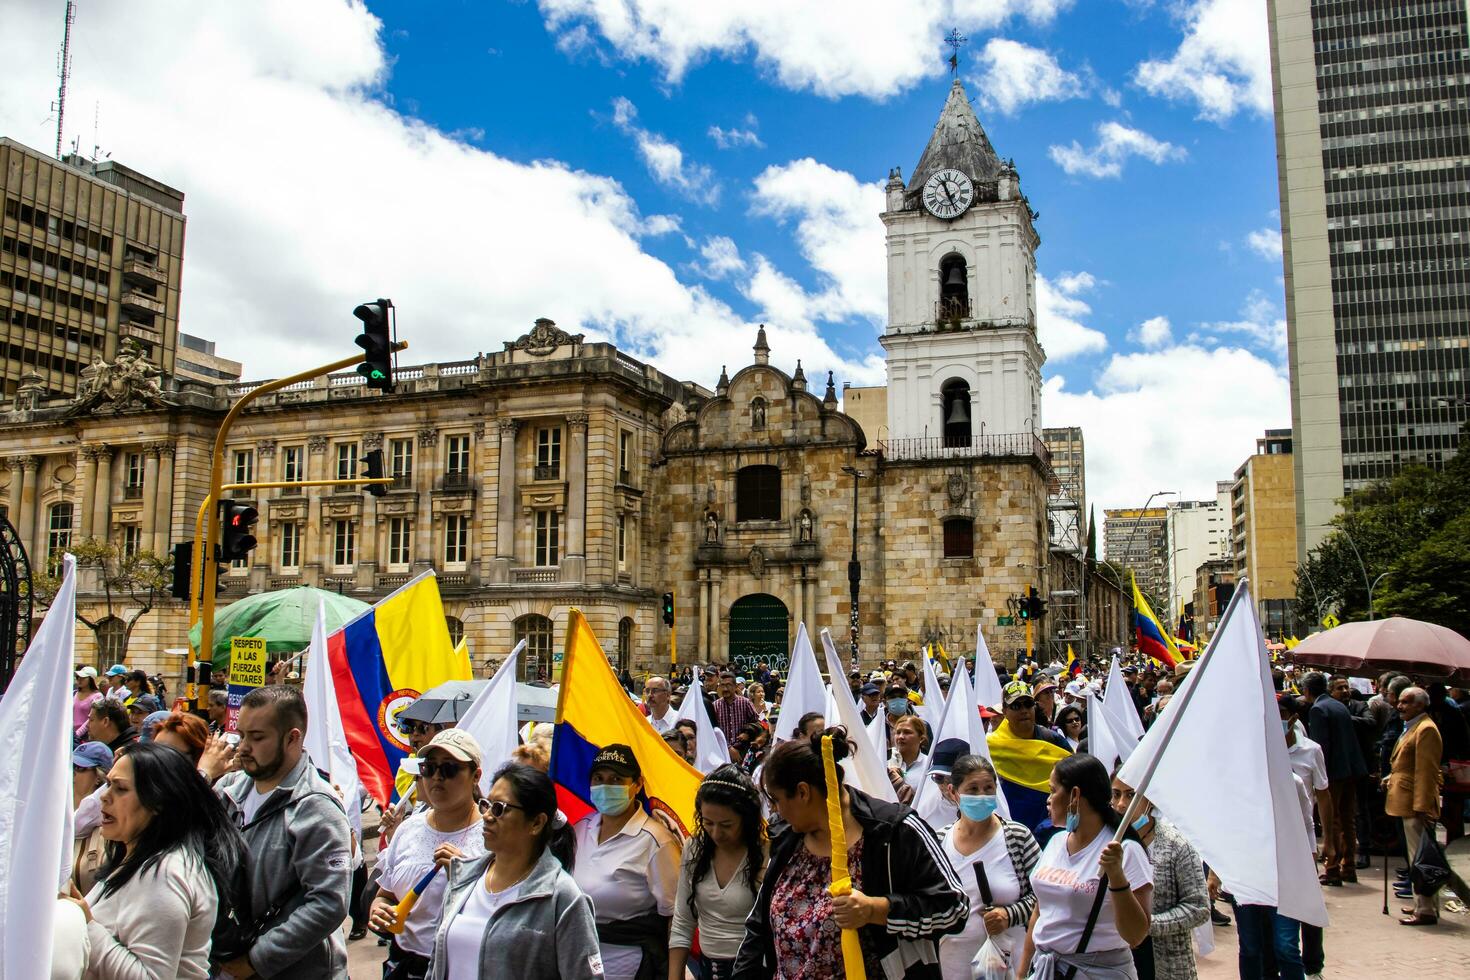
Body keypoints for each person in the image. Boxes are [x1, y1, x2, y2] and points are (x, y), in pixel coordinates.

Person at [733, 727, 967, 979]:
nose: (776, 811)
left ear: (803, 792)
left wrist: (875, 909)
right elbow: (758, 925)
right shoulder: (786, 838)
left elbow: (954, 909)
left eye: (777, 800)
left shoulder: (894, 832)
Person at [60, 742, 246, 980]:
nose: (105, 797)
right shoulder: (143, 858)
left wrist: (86, 924)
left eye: (120, 788)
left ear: (157, 802)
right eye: (108, 784)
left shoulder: (166, 874)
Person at [214, 685, 353, 978]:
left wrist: (255, 960)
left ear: (293, 738)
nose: (243, 748)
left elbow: (329, 903)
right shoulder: (226, 792)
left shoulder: (317, 808)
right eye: (242, 736)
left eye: (257, 737)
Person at [428, 763, 603, 979]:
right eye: (486, 805)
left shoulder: (563, 898)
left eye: (500, 808)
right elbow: (436, 964)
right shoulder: (463, 878)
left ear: (536, 823)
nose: (487, 816)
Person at [1018, 754, 1152, 980]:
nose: (1048, 800)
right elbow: (1040, 912)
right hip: (1046, 970)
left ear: (1075, 795)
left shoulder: (1125, 850)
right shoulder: (1056, 842)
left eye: (1053, 790)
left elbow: (1136, 936)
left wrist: (1117, 877)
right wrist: (1022, 973)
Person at [371, 729, 488, 980]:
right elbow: (387, 895)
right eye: (429, 768)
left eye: (449, 769)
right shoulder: (408, 829)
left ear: (475, 776)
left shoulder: (492, 834)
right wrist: (380, 909)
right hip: (404, 965)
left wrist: (463, 873)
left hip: (464, 968)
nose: (436, 777)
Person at [571, 744, 682, 980]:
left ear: (637, 784)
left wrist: (675, 973)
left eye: (616, 779)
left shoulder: (656, 841)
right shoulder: (580, 828)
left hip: (626, 963)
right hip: (576, 956)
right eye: (598, 778)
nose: (605, 786)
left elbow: (675, 917)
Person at [937, 754, 1040, 979]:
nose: (981, 796)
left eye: (988, 788)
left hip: (1011, 965)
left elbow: (1044, 896)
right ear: (954, 792)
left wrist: (1009, 915)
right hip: (953, 965)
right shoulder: (938, 842)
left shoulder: (1017, 837)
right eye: (972, 789)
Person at [669, 765, 766, 980]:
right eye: (708, 823)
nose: (716, 833)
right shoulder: (694, 848)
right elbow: (683, 922)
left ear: (747, 818)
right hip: (706, 969)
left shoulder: (766, 852)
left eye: (726, 825)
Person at [1111, 776, 1206, 980]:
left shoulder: (1176, 845)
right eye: (1116, 794)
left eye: (1131, 796)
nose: (1121, 804)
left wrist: (1146, 925)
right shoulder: (1105, 843)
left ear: (1150, 800)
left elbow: (1198, 907)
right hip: (1115, 959)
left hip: (1164, 961)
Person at [1384, 686, 1443, 926]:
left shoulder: (1426, 729)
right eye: (1399, 701)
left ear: (1420, 705)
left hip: (1414, 804)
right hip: (1405, 799)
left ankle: (1425, 909)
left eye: (1406, 702)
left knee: (1420, 859)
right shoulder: (1413, 727)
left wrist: (1421, 806)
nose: (1400, 706)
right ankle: (1425, 905)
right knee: (1417, 857)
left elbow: (1426, 772)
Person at [1301, 671, 1366, 885]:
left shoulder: (1319, 709)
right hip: (1349, 769)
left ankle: (1333, 868)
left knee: (1333, 819)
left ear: (1307, 691)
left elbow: (1320, 748)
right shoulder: (1338, 705)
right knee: (1348, 819)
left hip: (1333, 772)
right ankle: (1348, 865)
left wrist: (1321, 778)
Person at [71, 741, 114, 895]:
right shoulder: (58, 807)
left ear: (98, 777)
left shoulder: (106, 822)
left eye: (80, 768)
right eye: (71, 766)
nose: (72, 772)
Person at [998, 681, 1072, 752]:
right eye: (1016, 706)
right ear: (1004, 712)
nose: (1024, 710)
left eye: (1028, 704)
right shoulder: (994, 745)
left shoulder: (1054, 740)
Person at [888, 714, 929, 804]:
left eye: (907, 732)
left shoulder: (929, 766)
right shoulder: (886, 762)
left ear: (921, 738)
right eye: (898, 732)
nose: (901, 737)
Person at [713, 673, 759, 748]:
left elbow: (758, 723)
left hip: (743, 749)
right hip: (723, 750)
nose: (725, 689)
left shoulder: (745, 703)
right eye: (722, 685)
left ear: (735, 687)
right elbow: (713, 730)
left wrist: (748, 734)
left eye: (728, 685)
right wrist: (729, 748)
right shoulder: (715, 706)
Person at [74, 666, 104, 738]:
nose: (79, 680)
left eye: (83, 678)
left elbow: (91, 718)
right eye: (78, 677)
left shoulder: (98, 697)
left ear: (91, 680)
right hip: (71, 733)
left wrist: (78, 734)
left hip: (85, 736)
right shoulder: (74, 693)